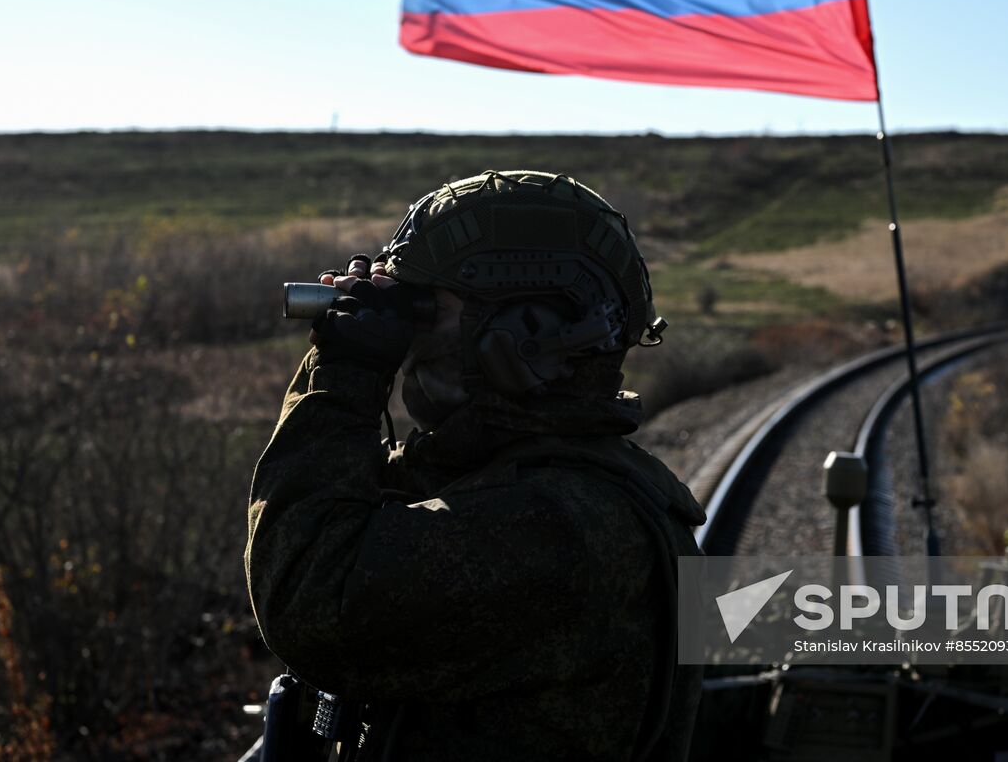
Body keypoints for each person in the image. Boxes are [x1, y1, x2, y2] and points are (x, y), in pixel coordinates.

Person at [245, 170, 705, 761]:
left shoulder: (556, 526)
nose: (408, 342)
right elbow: (364, 512)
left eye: (426, 311)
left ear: (526, 334)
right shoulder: (557, 479)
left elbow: (309, 600)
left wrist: (345, 377)